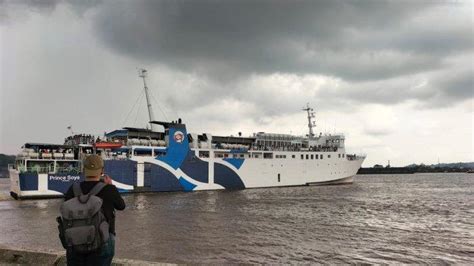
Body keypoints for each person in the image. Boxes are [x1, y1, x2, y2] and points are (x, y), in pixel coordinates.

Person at [64, 154, 126, 266]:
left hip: (75, 243)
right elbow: (121, 206)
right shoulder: (109, 189)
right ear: (102, 171)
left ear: (84, 170)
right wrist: (111, 186)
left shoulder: (72, 190)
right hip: (102, 242)